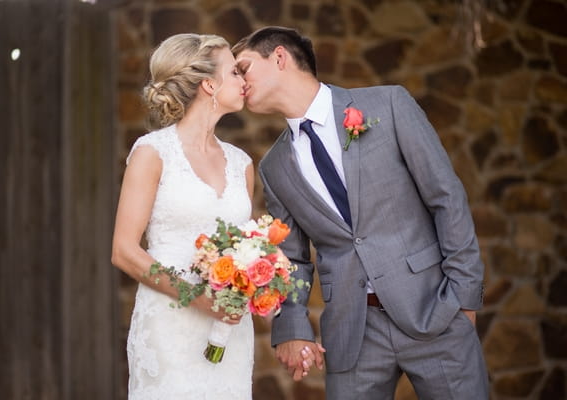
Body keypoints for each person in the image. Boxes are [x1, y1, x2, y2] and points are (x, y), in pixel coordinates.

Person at [232, 26, 489, 399]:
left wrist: (464, 297)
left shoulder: (387, 105)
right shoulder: (274, 167)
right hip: (352, 331)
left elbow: (446, 198)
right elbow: (292, 258)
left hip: (434, 309)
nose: (239, 81)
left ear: (280, 57)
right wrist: (292, 326)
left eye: (243, 67)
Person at [111, 33, 255, 399]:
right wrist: (198, 296)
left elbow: (246, 248)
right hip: (168, 326)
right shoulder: (153, 153)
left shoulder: (242, 164)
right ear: (209, 84)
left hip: (229, 332)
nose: (244, 81)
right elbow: (125, 251)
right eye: (236, 72)